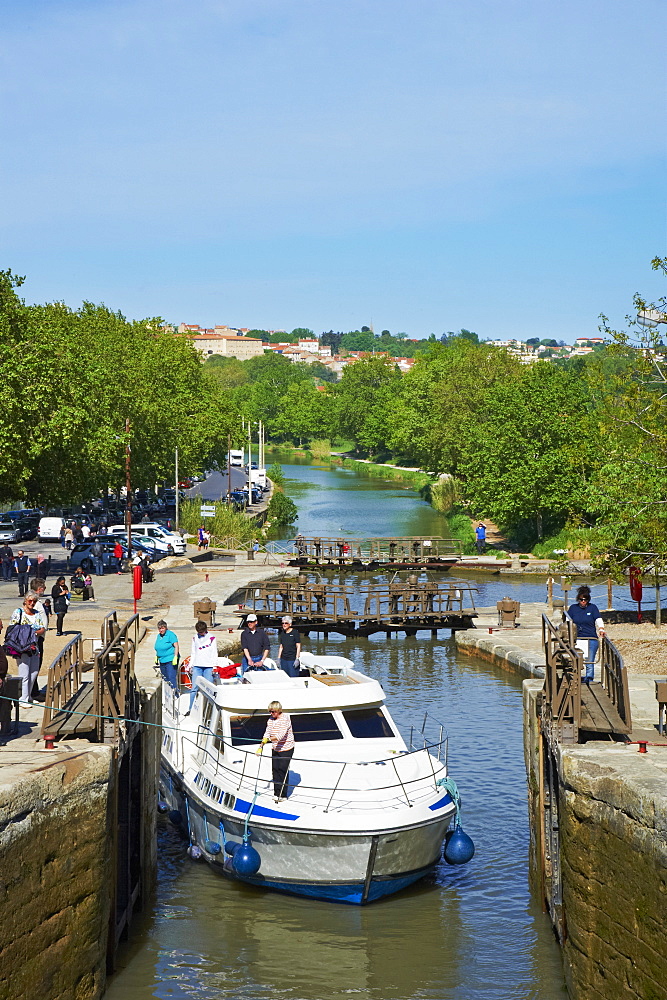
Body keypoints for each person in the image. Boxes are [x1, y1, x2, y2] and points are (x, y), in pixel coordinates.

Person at [7, 592, 47, 705]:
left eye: (34, 601)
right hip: (22, 646)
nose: (32, 603)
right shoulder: (18, 612)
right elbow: (12, 627)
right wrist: (27, 632)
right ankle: (23, 699)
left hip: (34, 646)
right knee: (24, 673)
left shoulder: (37, 613)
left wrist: (34, 632)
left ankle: (28, 696)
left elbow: (42, 628)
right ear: (25, 600)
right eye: (30, 601)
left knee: (33, 672)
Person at [256, 701, 295, 802]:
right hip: (276, 748)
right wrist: (261, 746)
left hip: (286, 748)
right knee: (275, 770)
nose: (271, 714)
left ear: (278, 710)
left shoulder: (285, 719)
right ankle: (276, 793)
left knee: (282, 770)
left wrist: (268, 740)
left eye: (273, 712)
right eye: (270, 712)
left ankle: (283, 795)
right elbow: (267, 732)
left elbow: (279, 736)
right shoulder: (271, 720)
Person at [568, 585, 605, 684]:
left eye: (585, 599)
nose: (583, 601)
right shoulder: (573, 608)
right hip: (577, 638)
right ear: (578, 599)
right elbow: (567, 621)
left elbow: (598, 619)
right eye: (581, 600)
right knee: (575, 660)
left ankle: (589, 679)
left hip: (590, 637)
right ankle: (575, 677)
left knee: (590, 661)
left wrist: (601, 629)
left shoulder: (593, 608)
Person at [186, 620, 218, 715]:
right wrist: (190, 665)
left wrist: (214, 666)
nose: (200, 634)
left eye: (201, 632)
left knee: (209, 689)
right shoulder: (194, 638)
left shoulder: (212, 638)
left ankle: (210, 711)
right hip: (197, 666)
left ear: (205, 630)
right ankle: (190, 709)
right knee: (194, 688)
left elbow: (214, 652)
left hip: (208, 667)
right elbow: (193, 652)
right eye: (198, 632)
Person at [154, 620, 179, 687]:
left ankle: (175, 693)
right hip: (162, 660)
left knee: (171, 677)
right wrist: (157, 656)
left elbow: (176, 646)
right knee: (165, 678)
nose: (161, 630)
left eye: (162, 628)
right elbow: (158, 647)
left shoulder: (170, 635)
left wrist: (175, 657)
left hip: (170, 660)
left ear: (166, 628)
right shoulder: (159, 636)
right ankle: (167, 695)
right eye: (159, 628)